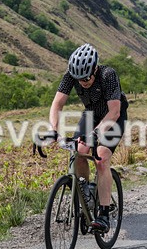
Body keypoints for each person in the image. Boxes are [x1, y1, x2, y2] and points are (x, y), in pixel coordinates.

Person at [48, 43, 129, 232]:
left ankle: (103, 214)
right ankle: (86, 197)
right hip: (91, 114)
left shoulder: (108, 75)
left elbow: (114, 112)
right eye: (79, 78)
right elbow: (57, 105)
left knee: (101, 158)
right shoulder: (71, 76)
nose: (82, 81)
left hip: (113, 116)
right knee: (79, 151)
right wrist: (53, 129)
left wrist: (95, 134)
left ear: (94, 68)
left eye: (86, 77)